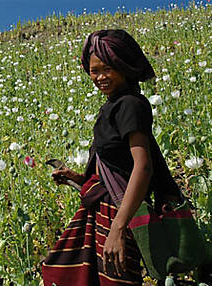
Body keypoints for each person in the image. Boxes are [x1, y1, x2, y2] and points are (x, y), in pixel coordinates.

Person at [41, 29, 182, 286]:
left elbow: (143, 167)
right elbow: (119, 167)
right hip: (107, 211)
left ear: (124, 66)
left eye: (107, 69)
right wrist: (77, 178)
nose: (100, 77)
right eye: (94, 71)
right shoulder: (112, 106)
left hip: (121, 215)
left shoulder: (130, 105)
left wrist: (117, 228)